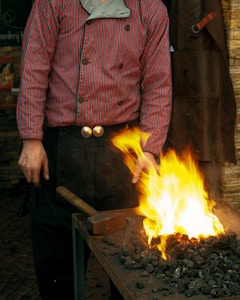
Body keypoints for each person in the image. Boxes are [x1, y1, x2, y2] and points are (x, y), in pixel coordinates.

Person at [16, 0, 172, 299]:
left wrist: (150, 150)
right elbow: (34, 68)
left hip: (123, 152)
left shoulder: (151, 9)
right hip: (62, 147)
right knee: (56, 261)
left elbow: (158, 83)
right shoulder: (52, 4)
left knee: (131, 258)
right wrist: (31, 139)